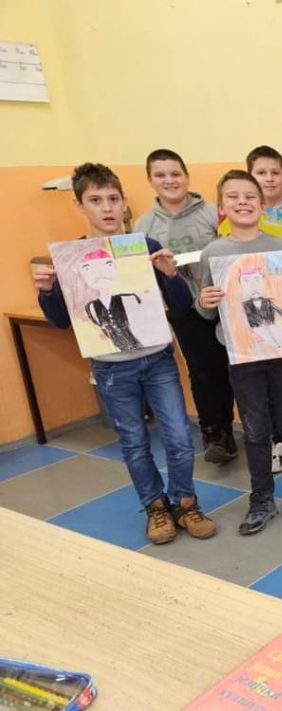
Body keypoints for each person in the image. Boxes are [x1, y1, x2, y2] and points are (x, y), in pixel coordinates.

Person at [36, 162, 216, 545]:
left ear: (124, 202)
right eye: (95, 200)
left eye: (113, 199)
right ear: (79, 205)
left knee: (179, 436)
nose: (107, 208)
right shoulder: (71, 258)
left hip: (157, 359)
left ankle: (185, 502)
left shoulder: (144, 248)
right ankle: (155, 507)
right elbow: (61, 321)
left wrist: (170, 276)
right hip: (112, 368)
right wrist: (48, 291)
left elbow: (179, 305)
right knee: (134, 441)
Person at [196, 170, 282, 535]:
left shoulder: (281, 246)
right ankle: (262, 500)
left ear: (262, 204)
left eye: (250, 196)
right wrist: (203, 301)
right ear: (221, 207)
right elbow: (207, 312)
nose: (243, 202)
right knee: (254, 428)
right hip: (242, 356)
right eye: (233, 197)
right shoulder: (213, 253)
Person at [134, 148, 236, 463]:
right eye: (161, 175)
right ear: (150, 180)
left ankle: (231, 430)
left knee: (230, 367)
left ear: (187, 176)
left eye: (175, 173)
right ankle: (213, 433)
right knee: (201, 371)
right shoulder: (144, 225)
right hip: (183, 307)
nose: (169, 180)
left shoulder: (212, 213)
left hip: (221, 301)